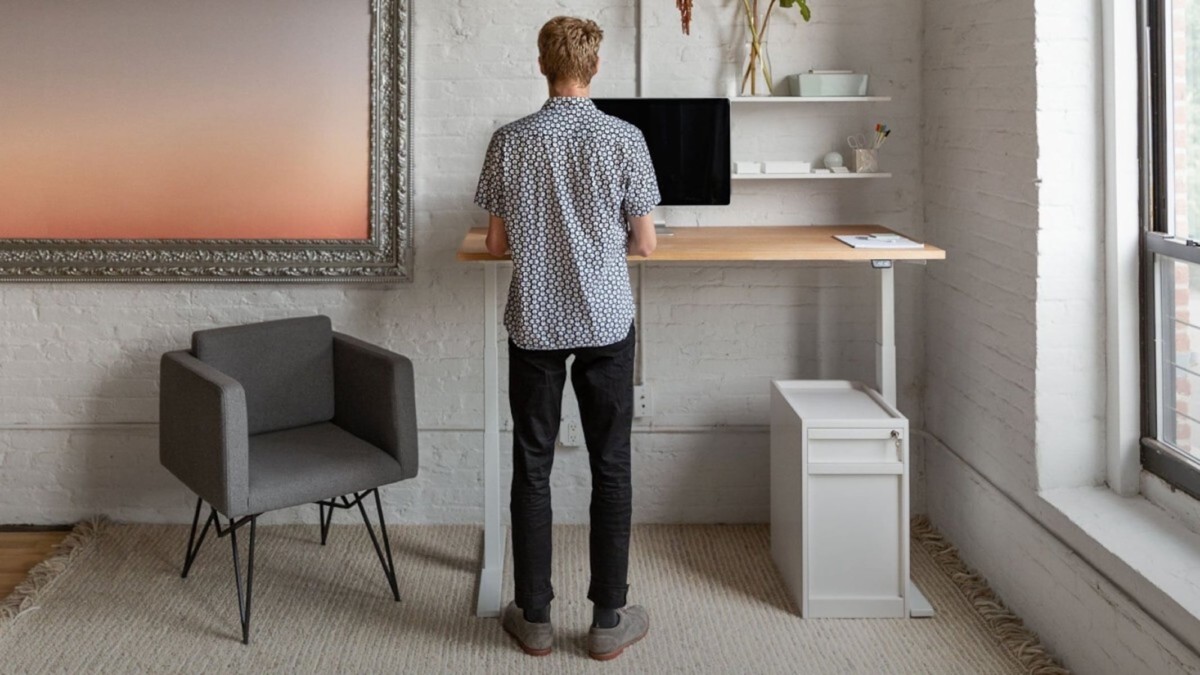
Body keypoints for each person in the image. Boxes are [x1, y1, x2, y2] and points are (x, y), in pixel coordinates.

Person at [473, 15, 660, 662]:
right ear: (596, 66)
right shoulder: (625, 137)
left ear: (542, 65)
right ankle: (609, 617)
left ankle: (536, 618)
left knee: (533, 462)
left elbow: (497, 243)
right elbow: (644, 241)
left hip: (536, 323)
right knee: (611, 463)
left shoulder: (510, 140)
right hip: (607, 320)